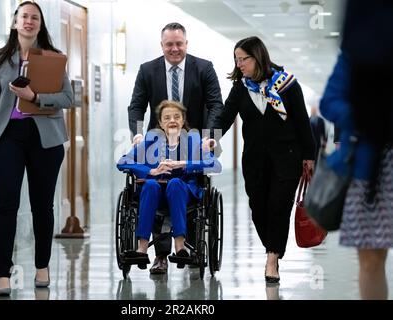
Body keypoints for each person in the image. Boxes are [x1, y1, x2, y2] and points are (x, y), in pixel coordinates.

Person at [0, 1, 74, 296]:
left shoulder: (53, 58)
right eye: (24, 16)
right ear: (15, 22)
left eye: (34, 18)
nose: (29, 21)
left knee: (42, 206)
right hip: (7, 138)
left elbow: (68, 98)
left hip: (46, 138)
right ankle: (3, 273)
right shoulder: (1, 58)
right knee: (6, 206)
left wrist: (35, 96)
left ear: (40, 25)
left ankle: (42, 266)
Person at [215, 36, 315, 283]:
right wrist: (209, 137)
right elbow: (225, 117)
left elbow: (303, 123)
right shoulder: (240, 88)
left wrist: (309, 156)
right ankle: (273, 247)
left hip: (287, 159)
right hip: (255, 161)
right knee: (259, 210)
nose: (239, 64)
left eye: (243, 59)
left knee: (279, 207)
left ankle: (272, 259)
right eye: (236, 60)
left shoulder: (287, 85)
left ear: (257, 56)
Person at [127, 22, 224, 274]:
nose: (174, 49)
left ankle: (188, 248)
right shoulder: (147, 70)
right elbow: (136, 106)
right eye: (169, 44)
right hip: (157, 143)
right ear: (162, 45)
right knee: (155, 188)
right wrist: (138, 135)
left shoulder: (203, 68)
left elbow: (216, 104)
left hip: (195, 141)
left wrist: (210, 137)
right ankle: (160, 256)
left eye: (179, 44)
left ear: (186, 44)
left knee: (184, 186)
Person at [320, 0, 393, 300]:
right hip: (369, 167)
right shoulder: (357, 54)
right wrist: (366, 117)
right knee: (372, 258)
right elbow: (330, 101)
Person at [118, 100, 221, 269]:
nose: (172, 120)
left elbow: (215, 165)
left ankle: (180, 246)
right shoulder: (150, 141)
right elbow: (123, 162)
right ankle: (142, 248)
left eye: (176, 116)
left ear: (182, 120)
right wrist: (151, 172)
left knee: (175, 183)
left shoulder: (194, 140)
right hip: (155, 196)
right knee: (150, 185)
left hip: (183, 195)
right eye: (166, 117)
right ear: (160, 123)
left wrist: (183, 164)